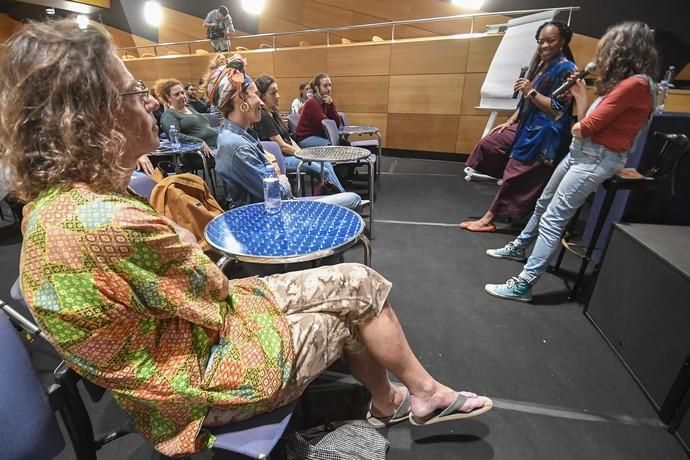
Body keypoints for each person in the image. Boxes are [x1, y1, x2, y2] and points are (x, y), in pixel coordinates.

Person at [0, 19, 491, 458]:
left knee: (358, 281)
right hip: (198, 386)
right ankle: (403, 400)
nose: (150, 102)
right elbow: (212, 290)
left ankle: (416, 396)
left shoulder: (54, 207)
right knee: (348, 315)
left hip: (185, 346)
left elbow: (188, 289)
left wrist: (179, 241)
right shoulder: (106, 221)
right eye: (135, 92)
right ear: (93, 116)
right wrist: (182, 243)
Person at [484, 22, 659, 302]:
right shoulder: (628, 84)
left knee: (554, 219)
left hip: (595, 159)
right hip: (581, 154)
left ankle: (525, 284)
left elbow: (582, 127)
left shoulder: (635, 85)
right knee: (543, 203)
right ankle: (520, 246)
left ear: (623, 52)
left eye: (608, 51)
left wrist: (579, 97)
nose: (602, 58)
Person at [460, 21, 577, 232]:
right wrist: (511, 120)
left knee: (515, 173)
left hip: (543, 134)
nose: (544, 46)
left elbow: (557, 109)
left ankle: (488, 219)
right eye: (541, 41)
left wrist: (530, 91)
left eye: (550, 41)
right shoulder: (542, 65)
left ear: (563, 42)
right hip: (525, 125)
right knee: (491, 143)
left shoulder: (567, 70)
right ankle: (516, 193)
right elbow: (526, 102)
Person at [216, 60, 360, 209]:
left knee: (341, 189)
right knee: (353, 199)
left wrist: (273, 166)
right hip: (277, 215)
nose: (261, 102)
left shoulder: (238, 136)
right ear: (240, 100)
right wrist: (282, 178)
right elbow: (278, 193)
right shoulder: (238, 146)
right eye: (256, 95)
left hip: (276, 208)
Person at [254, 75, 347, 193]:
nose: (278, 96)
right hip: (281, 159)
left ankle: (342, 194)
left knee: (326, 163)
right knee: (325, 170)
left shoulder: (273, 113)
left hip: (291, 155)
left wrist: (303, 153)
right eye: (273, 93)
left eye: (277, 92)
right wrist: (303, 155)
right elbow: (282, 146)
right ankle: (342, 197)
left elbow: (288, 139)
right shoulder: (264, 117)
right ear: (261, 96)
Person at [157, 78, 216, 170]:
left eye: (182, 92)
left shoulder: (190, 108)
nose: (182, 96)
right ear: (168, 97)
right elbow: (175, 136)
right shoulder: (168, 115)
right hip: (197, 153)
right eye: (177, 94)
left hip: (215, 146)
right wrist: (199, 142)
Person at [295, 72, 342, 148]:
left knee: (344, 143)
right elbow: (325, 126)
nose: (329, 88)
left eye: (330, 85)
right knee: (333, 147)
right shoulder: (312, 103)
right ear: (317, 88)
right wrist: (330, 106)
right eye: (325, 86)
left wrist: (331, 105)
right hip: (306, 138)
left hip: (318, 135)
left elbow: (337, 124)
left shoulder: (325, 101)